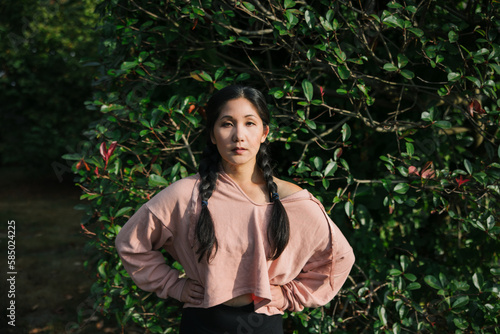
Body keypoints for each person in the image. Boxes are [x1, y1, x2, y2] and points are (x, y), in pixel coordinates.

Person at [115, 85, 355, 333]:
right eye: (227, 124)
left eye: (250, 123)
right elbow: (131, 243)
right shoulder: (185, 195)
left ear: (265, 132)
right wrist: (174, 286)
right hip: (201, 322)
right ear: (212, 133)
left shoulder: (292, 201)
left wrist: (290, 295)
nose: (238, 135)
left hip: (262, 324)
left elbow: (339, 257)